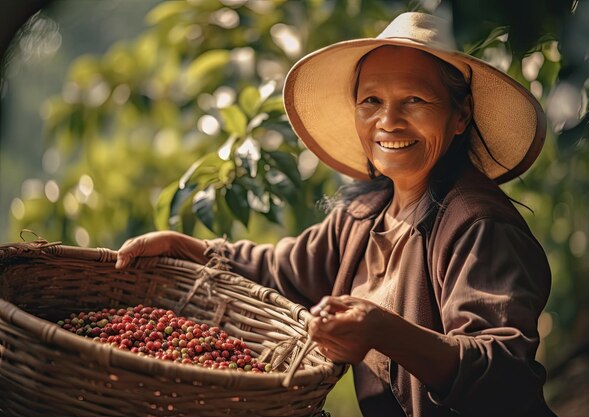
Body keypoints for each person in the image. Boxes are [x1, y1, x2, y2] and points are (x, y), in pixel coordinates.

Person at [115, 12, 557, 417]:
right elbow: (281, 270)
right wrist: (189, 247)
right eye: (371, 101)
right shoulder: (365, 214)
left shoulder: (478, 226)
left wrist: (382, 330)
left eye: (415, 100)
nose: (388, 121)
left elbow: (504, 374)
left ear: (460, 115)